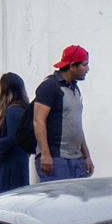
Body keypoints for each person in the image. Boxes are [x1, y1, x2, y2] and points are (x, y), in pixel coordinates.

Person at [33, 45, 94, 181]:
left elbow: (76, 124)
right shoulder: (50, 86)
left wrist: (86, 155)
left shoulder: (75, 88)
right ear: (72, 66)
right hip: (56, 159)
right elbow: (38, 120)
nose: (87, 69)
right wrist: (45, 154)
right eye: (84, 65)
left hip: (76, 159)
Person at [0, 71, 33, 193]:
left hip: (11, 167)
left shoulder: (14, 110)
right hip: (15, 165)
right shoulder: (20, 108)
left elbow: (14, 139)